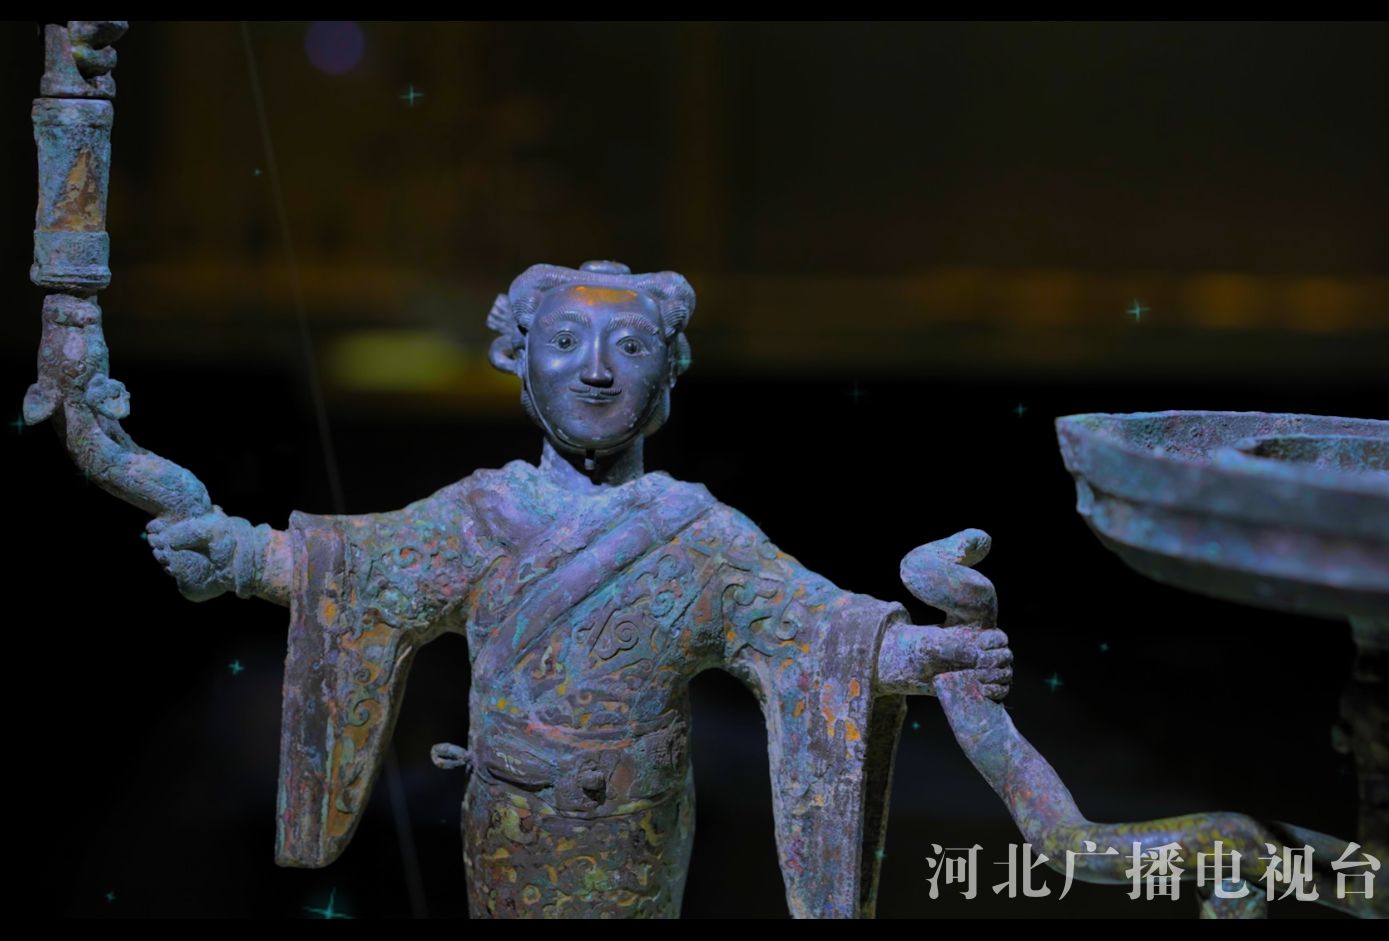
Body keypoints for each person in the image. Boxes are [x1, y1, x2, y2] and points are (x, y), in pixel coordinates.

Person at [147, 260, 1012, 918]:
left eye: (628, 346)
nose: (595, 370)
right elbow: (359, 569)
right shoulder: (480, 517)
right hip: (507, 828)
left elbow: (816, 635)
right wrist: (236, 552)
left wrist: (930, 652)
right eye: (564, 343)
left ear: (668, 368)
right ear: (517, 358)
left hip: (639, 835)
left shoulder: (699, 537)